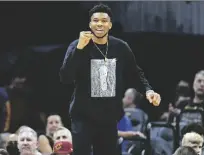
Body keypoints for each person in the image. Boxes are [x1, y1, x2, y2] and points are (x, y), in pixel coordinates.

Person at [59, 3, 161, 155]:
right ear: (89, 24)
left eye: (104, 21)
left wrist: (148, 90)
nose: (99, 24)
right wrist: (79, 49)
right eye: (95, 20)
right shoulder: (77, 46)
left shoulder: (120, 47)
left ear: (110, 25)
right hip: (83, 115)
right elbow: (65, 77)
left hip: (108, 117)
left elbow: (135, 73)